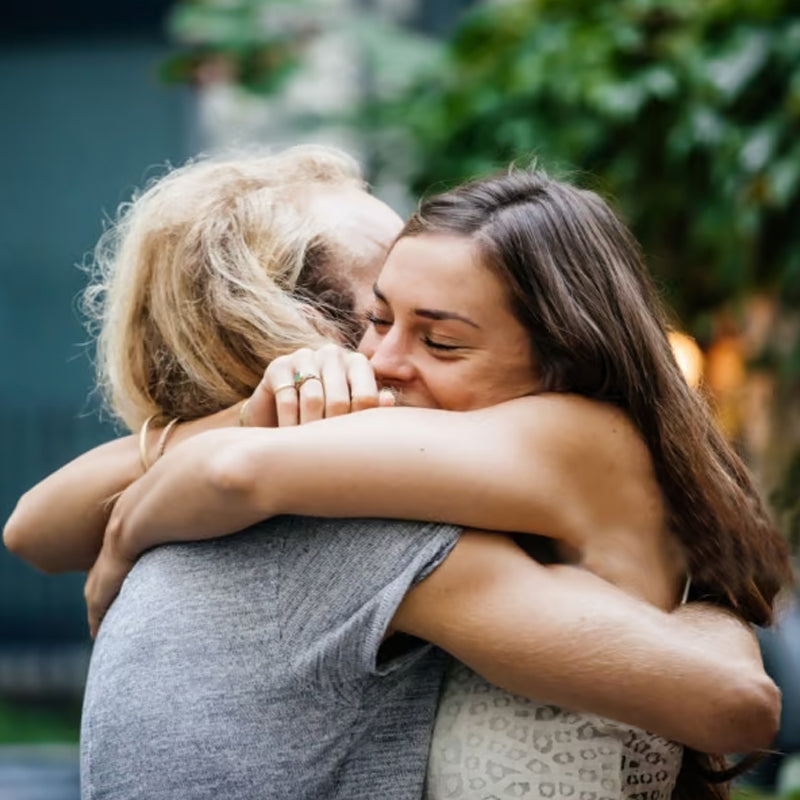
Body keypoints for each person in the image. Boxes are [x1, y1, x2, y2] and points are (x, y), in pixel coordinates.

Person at [3, 154, 785, 799]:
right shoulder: (360, 509)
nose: (382, 360)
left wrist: (126, 534)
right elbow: (36, 524)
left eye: (439, 336)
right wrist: (257, 411)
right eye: (377, 313)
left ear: (561, 354)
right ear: (296, 327)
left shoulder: (540, 445)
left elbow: (225, 474)